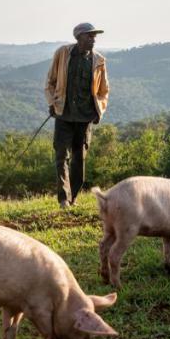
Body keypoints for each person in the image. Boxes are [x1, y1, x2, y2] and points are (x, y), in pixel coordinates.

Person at [44, 22, 110, 208]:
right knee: (60, 157)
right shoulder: (62, 54)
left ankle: (73, 197)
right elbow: (50, 82)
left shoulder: (99, 61)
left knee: (79, 159)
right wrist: (52, 103)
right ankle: (64, 199)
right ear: (78, 37)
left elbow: (104, 91)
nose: (93, 39)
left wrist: (99, 111)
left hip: (85, 117)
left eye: (94, 36)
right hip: (63, 115)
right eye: (89, 36)